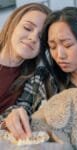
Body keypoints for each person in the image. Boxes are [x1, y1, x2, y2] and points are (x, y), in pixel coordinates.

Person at [2, 7, 77, 149]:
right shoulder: (42, 78)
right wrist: (12, 116)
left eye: (67, 45)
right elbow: (20, 107)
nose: (59, 55)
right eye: (52, 46)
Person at [0, 2, 51, 131]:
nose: (33, 38)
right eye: (28, 28)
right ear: (13, 25)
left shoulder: (36, 80)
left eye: (41, 37)